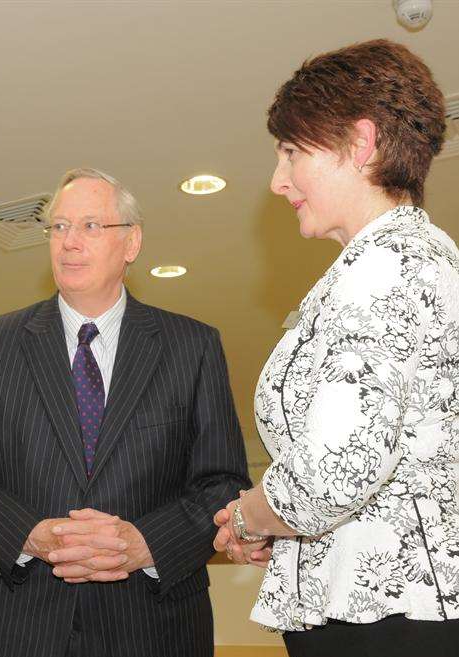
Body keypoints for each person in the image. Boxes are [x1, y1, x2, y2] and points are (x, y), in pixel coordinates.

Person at [0, 167, 251, 657]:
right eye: (58, 227)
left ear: (131, 242)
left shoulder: (193, 346)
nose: (69, 242)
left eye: (90, 226)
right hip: (18, 624)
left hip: (152, 625)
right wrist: (34, 536)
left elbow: (222, 482)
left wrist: (143, 543)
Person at [212, 39, 459, 657]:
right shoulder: (403, 260)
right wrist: (275, 520)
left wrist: (248, 514)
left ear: (361, 143)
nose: (277, 180)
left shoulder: (384, 269)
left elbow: (338, 472)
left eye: (292, 151)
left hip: (391, 623)